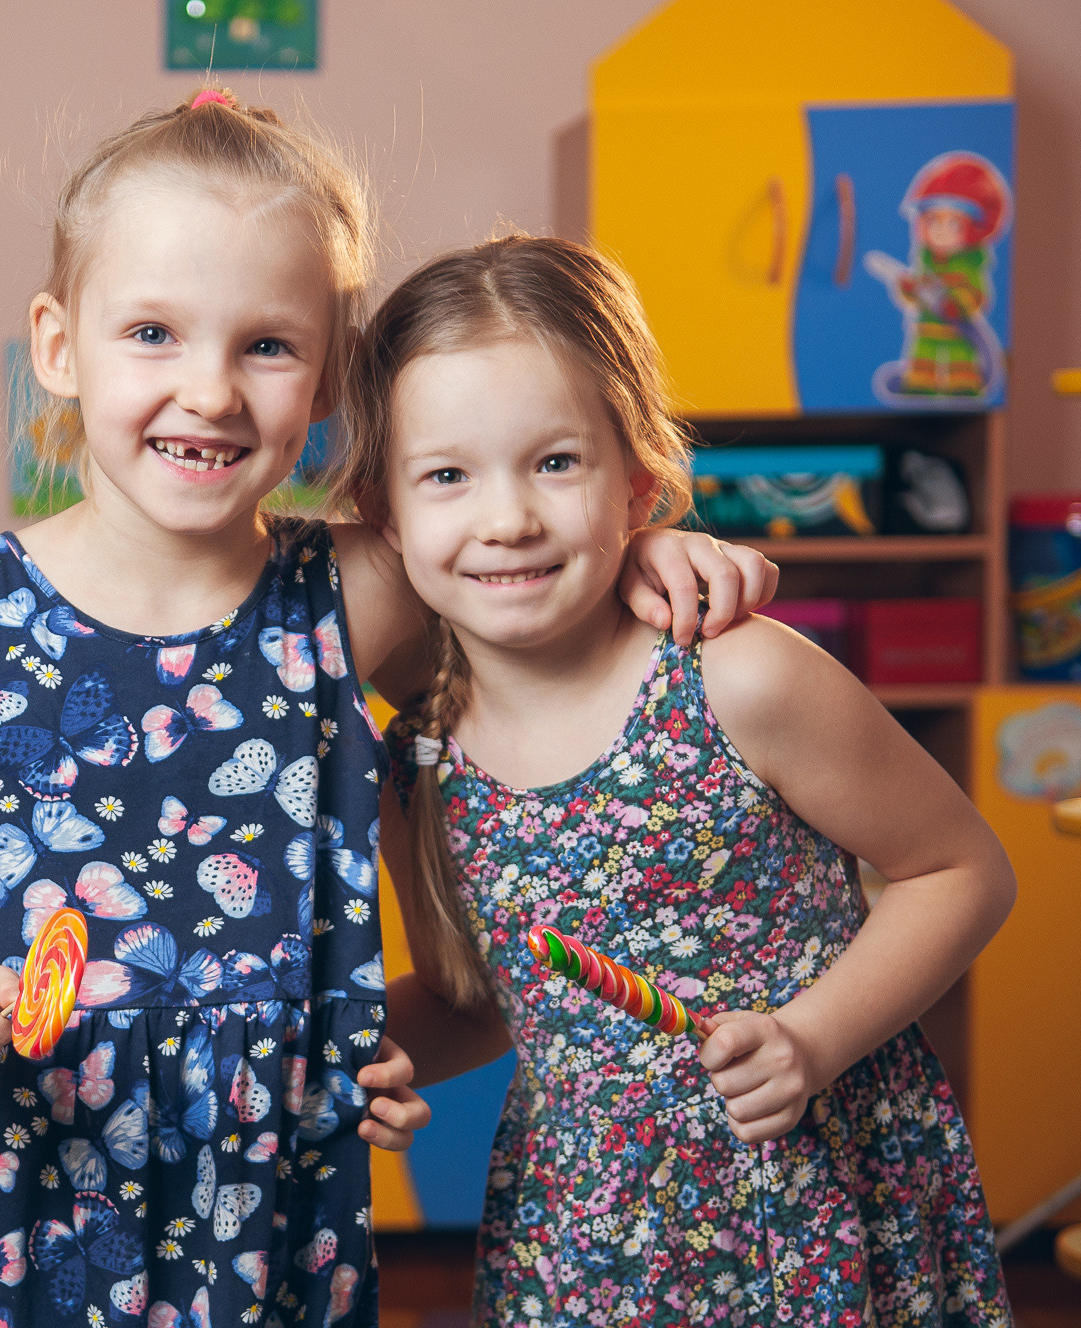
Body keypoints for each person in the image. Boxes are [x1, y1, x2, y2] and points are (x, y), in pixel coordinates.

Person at [0, 93, 774, 1328]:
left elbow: (515, 567)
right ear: (58, 346)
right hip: (2, 1189)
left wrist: (641, 546)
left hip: (261, 1206)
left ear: (330, 373)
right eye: (152, 333)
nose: (210, 391)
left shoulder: (356, 590)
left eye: (266, 346)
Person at [346, 234, 1015, 1325]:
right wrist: (350, 1054)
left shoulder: (737, 677)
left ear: (639, 482)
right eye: (447, 475)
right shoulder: (416, 754)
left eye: (555, 462)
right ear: (385, 512)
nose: (507, 517)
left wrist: (810, 1038)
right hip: (583, 1233)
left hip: (803, 1202)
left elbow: (962, 871)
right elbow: (482, 998)